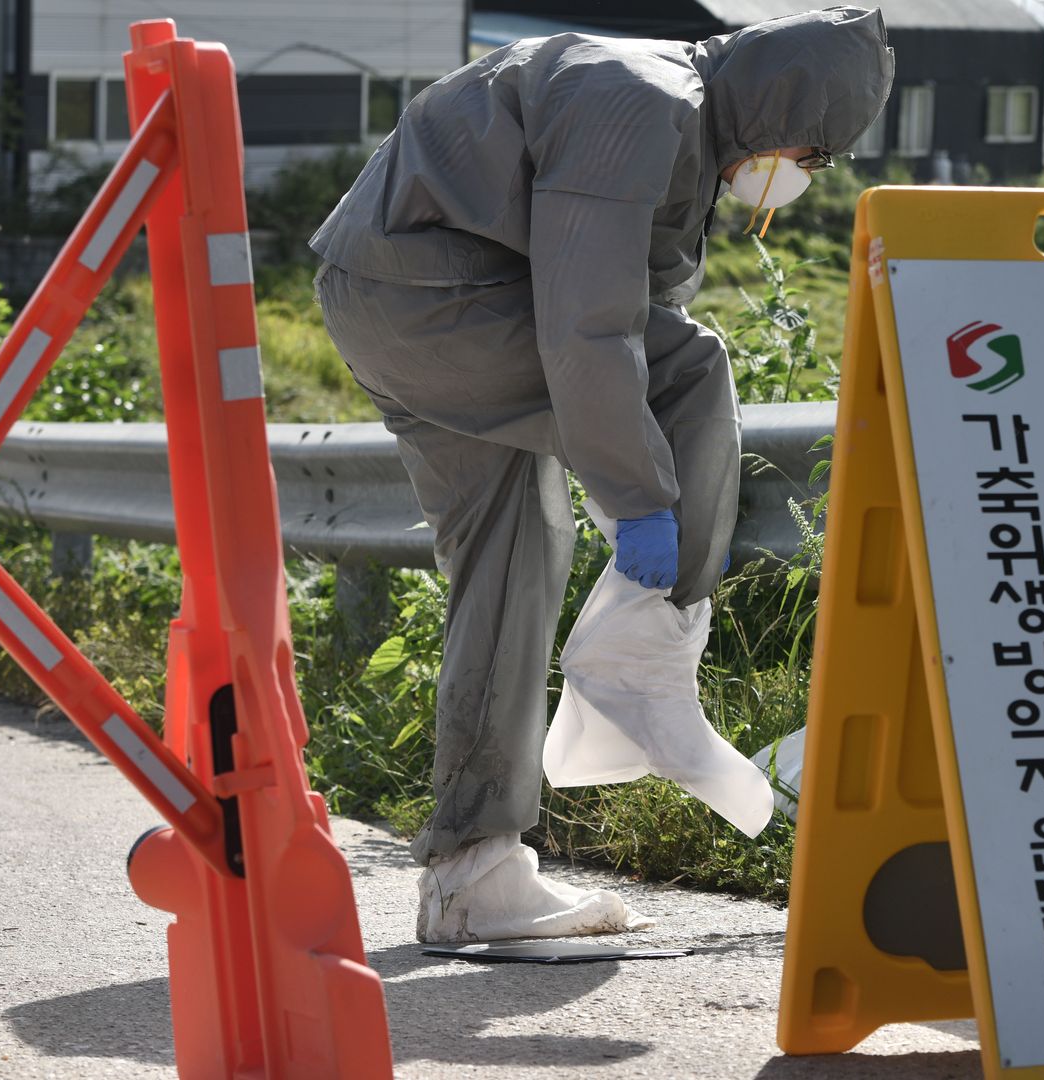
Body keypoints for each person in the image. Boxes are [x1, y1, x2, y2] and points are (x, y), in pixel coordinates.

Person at [310, 8, 893, 942]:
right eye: (810, 151)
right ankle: (647, 665)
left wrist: (629, 491)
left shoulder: (685, 121)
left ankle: (473, 875)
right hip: (438, 302)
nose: (799, 174)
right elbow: (593, 324)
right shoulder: (642, 97)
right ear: (778, 106)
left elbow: (622, 300)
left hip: (407, 302)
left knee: (514, 556)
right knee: (692, 369)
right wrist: (640, 506)